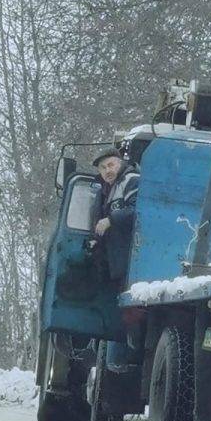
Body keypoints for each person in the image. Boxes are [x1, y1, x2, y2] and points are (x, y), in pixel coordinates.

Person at [91, 147, 143, 378]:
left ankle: (118, 361)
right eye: (103, 168)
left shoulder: (131, 181)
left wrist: (110, 220)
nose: (107, 171)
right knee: (119, 310)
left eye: (110, 165)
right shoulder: (111, 189)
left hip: (132, 261)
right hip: (117, 263)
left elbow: (139, 211)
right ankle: (115, 359)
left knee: (125, 312)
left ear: (121, 162)